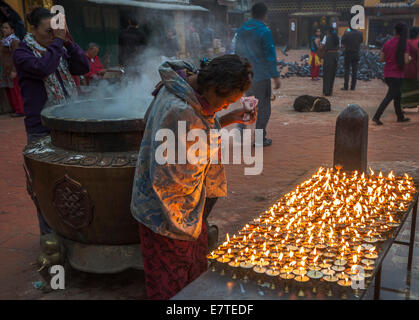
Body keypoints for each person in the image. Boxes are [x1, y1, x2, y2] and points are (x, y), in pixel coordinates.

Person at [131, 55, 255, 300]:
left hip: (182, 211)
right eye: (225, 102)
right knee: (172, 283)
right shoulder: (182, 112)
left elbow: (199, 127)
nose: (222, 107)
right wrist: (189, 227)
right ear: (214, 87)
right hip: (168, 217)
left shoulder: (181, 84)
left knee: (193, 273)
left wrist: (229, 118)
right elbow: (172, 182)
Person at [13, 7, 89, 234]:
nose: (51, 35)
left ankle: (74, 232)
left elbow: (82, 67)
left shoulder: (58, 48)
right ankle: (50, 240)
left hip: (68, 124)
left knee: (74, 185)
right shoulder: (22, 52)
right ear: (33, 29)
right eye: (47, 31)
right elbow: (44, 67)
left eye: (55, 31)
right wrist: (57, 43)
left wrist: (68, 43)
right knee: (45, 189)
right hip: (42, 130)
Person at [235, 2, 281, 147]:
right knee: (264, 107)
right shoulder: (264, 31)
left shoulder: (242, 30)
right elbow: (269, 55)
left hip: (246, 76)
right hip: (261, 76)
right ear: (265, 15)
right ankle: (260, 139)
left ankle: (240, 131)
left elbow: (237, 53)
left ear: (252, 14)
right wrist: (275, 76)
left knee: (248, 104)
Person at [372, 23, 410, 125]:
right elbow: (406, 61)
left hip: (388, 74)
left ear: (394, 31)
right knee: (390, 96)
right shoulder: (404, 43)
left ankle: (400, 117)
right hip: (398, 75)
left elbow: (381, 59)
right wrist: (409, 59)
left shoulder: (387, 43)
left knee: (397, 96)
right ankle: (376, 116)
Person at [0, 20, 24, 117]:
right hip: (6, 70)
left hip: (13, 70)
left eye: (6, 28)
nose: (4, 30)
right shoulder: (3, 41)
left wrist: (14, 70)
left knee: (16, 90)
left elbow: (17, 56)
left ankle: (20, 110)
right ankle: (15, 109)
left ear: (12, 30)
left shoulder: (15, 41)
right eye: (3, 28)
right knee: (9, 90)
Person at [401, 27, 419, 109]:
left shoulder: (405, 42)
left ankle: (402, 106)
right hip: (415, 69)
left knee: (405, 88)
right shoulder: (418, 42)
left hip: (404, 69)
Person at [341, 25, 363, 91]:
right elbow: (361, 42)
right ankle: (353, 87)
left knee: (347, 70)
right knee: (354, 71)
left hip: (348, 53)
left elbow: (342, 42)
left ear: (350, 27)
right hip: (356, 54)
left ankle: (346, 86)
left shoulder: (347, 34)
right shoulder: (360, 33)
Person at [322, 26, 340, 96]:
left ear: (327, 31)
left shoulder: (326, 37)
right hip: (335, 56)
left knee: (326, 74)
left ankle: (326, 91)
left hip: (328, 56)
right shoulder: (337, 37)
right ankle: (330, 91)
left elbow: (322, 46)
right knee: (332, 74)